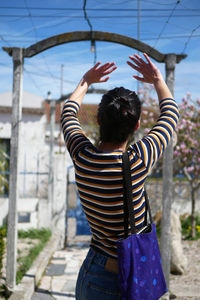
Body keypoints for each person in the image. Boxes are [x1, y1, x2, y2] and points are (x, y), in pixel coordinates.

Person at [61, 53, 179, 300]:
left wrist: (86, 80)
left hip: (94, 273)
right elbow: (170, 115)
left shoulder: (82, 156)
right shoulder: (138, 161)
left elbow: (68, 114)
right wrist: (158, 79)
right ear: (136, 126)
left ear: (98, 120)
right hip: (131, 271)